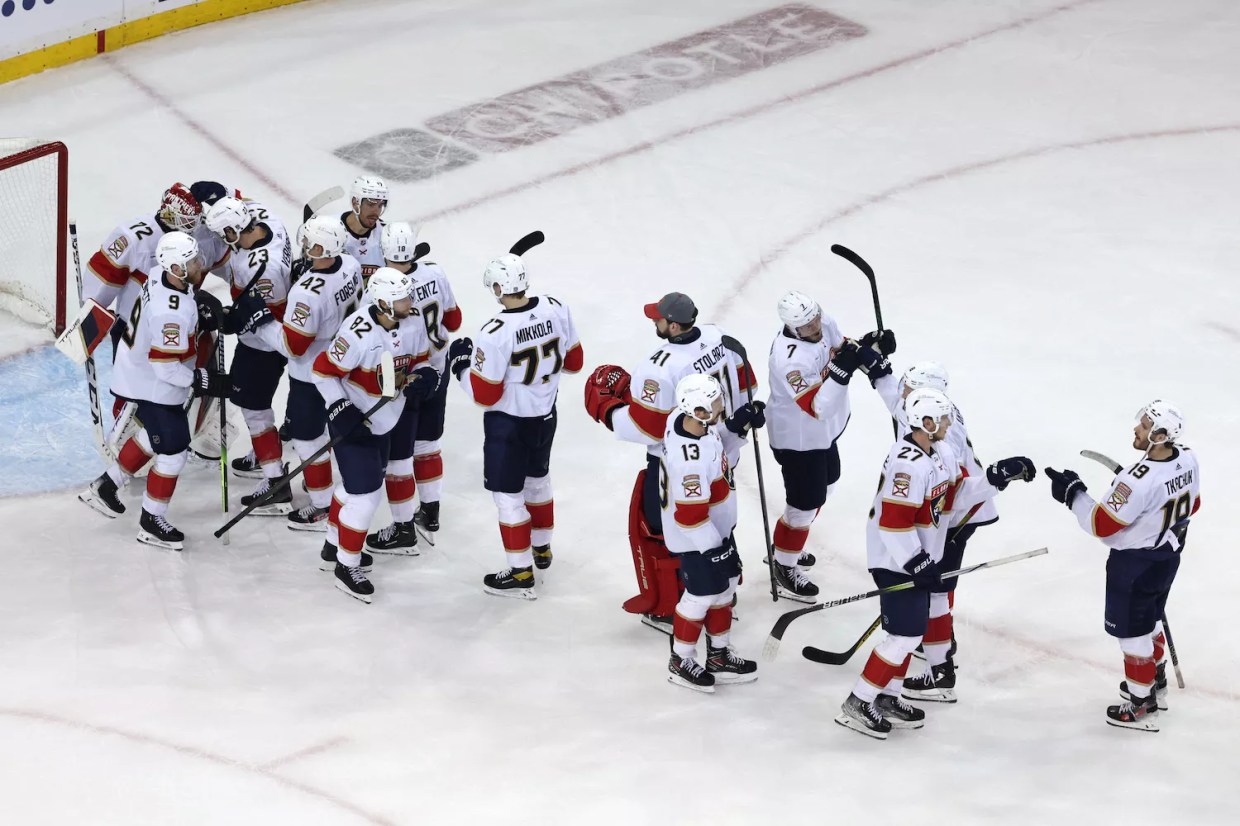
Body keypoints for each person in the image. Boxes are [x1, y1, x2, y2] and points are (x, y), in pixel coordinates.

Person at [835, 388, 1035, 739]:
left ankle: (888, 697)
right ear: (926, 423)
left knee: (907, 637)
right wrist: (918, 562)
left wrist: (995, 477)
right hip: (894, 560)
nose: (948, 423)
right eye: (943, 418)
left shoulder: (940, 452)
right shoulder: (906, 465)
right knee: (904, 636)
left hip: (916, 557)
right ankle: (859, 700)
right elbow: (894, 524)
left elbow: (954, 497)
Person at [582, 292, 761, 631]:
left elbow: (646, 429)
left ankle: (679, 603)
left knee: (666, 527)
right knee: (718, 517)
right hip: (722, 452)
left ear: (673, 324)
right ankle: (724, 588)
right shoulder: (718, 336)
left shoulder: (660, 365)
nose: (654, 321)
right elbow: (748, 384)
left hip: (678, 462)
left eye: (658, 319)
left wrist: (608, 409)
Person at [78, 232, 269, 548]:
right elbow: (166, 368)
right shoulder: (172, 313)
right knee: (174, 448)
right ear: (178, 268)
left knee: (153, 437)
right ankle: (151, 521)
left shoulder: (159, 275)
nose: (199, 264)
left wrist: (201, 302)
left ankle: (106, 485)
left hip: (134, 369)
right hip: (151, 383)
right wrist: (204, 382)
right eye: (193, 261)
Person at [1044, 401, 1201, 732]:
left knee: (1133, 635)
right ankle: (1155, 681)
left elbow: (1102, 525)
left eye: (1144, 426)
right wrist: (1159, 520)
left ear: (1159, 436)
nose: (1136, 429)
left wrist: (1073, 494)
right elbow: (1194, 503)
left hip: (1135, 564)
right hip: (1166, 556)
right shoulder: (1187, 458)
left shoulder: (1137, 480)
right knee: (1150, 618)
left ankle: (1143, 704)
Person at [445, 249, 583, 598]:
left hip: (509, 425)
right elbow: (575, 362)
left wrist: (461, 365)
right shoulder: (557, 306)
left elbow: (485, 395)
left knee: (508, 498)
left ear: (497, 287)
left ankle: (521, 573)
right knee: (538, 483)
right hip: (546, 416)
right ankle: (542, 548)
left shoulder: (495, 332)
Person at [312, 268, 438, 601]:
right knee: (366, 495)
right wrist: (340, 409)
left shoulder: (411, 323)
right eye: (403, 298)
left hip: (385, 419)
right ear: (383, 302)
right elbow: (322, 372)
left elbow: (421, 362)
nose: (410, 302)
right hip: (354, 422)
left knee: (355, 489)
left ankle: (332, 546)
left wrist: (425, 378)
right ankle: (346, 565)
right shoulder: (357, 332)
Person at [765, 289, 894, 602]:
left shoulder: (822, 323)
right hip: (797, 440)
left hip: (822, 435)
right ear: (793, 329)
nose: (816, 327)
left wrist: (870, 348)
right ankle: (784, 564)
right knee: (805, 503)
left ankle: (787, 544)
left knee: (828, 486)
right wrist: (844, 369)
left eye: (816, 318)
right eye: (808, 326)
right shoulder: (789, 360)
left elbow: (843, 348)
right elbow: (817, 406)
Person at [872, 361, 996, 670]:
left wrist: (994, 480)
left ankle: (937, 651)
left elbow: (954, 487)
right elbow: (897, 403)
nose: (903, 391)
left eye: (908, 386)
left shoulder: (942, 439)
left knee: (937, 589)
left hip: (955, 515)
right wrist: (877, 371)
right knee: (931, 584)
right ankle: (933, 645)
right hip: (941, 509)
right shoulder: (928, 415)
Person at [252, 215, 363, 532]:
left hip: (312, 374)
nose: (304, 246)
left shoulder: (306, 293)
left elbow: (293, 345)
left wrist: (261, 323)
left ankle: (322, 505)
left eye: (310, 243)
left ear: (323, 246)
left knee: (307, 439)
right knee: (333, 429)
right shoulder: (350, 264)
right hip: (345, 362)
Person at [365, 222, 461, 552]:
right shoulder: (436, 273)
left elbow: (372, 338)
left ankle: (404, 528)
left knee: (400, 458)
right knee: (429, 444)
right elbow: (454, 321)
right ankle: (430, 512)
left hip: (404, 377)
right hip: (438, 368)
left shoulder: (380, 286)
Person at [661, 374, 759, 692]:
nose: (722, 404)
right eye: (716, 401)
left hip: (715, 530)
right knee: (701, 595)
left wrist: (738, 426)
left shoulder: (687, 419)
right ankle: (681, 659)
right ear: (700, 410)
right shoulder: (688, 460)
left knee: (726, 586)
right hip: (697, 539)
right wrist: (716, 550)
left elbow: (714, 447)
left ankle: (718, 655)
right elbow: (690, 518)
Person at [201, 197, 294, 513]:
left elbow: (264, 314)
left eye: (222, 233)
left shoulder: (259, 268)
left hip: (265, 344)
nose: (220, 240)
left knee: (255, 409)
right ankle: (265, 455)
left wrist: (228, 319)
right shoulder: (272, 219)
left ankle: (275, 481)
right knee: (252, 403)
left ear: (234, 228)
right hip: (271, 334)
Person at [86, 184, 203, 365]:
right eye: (188, 222)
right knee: (130, 390)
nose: (192, 229)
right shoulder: (134, 240)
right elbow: (101, 276)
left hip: (174, 324)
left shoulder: (184, 240)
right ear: (171, 216)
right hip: (132, 332)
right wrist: (90, 321)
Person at [341, 175, 387, 282]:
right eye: (371, 204)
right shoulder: (329, 231)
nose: (376, 212)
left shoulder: (387, 236)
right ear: (355, 203)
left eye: (380, 205)